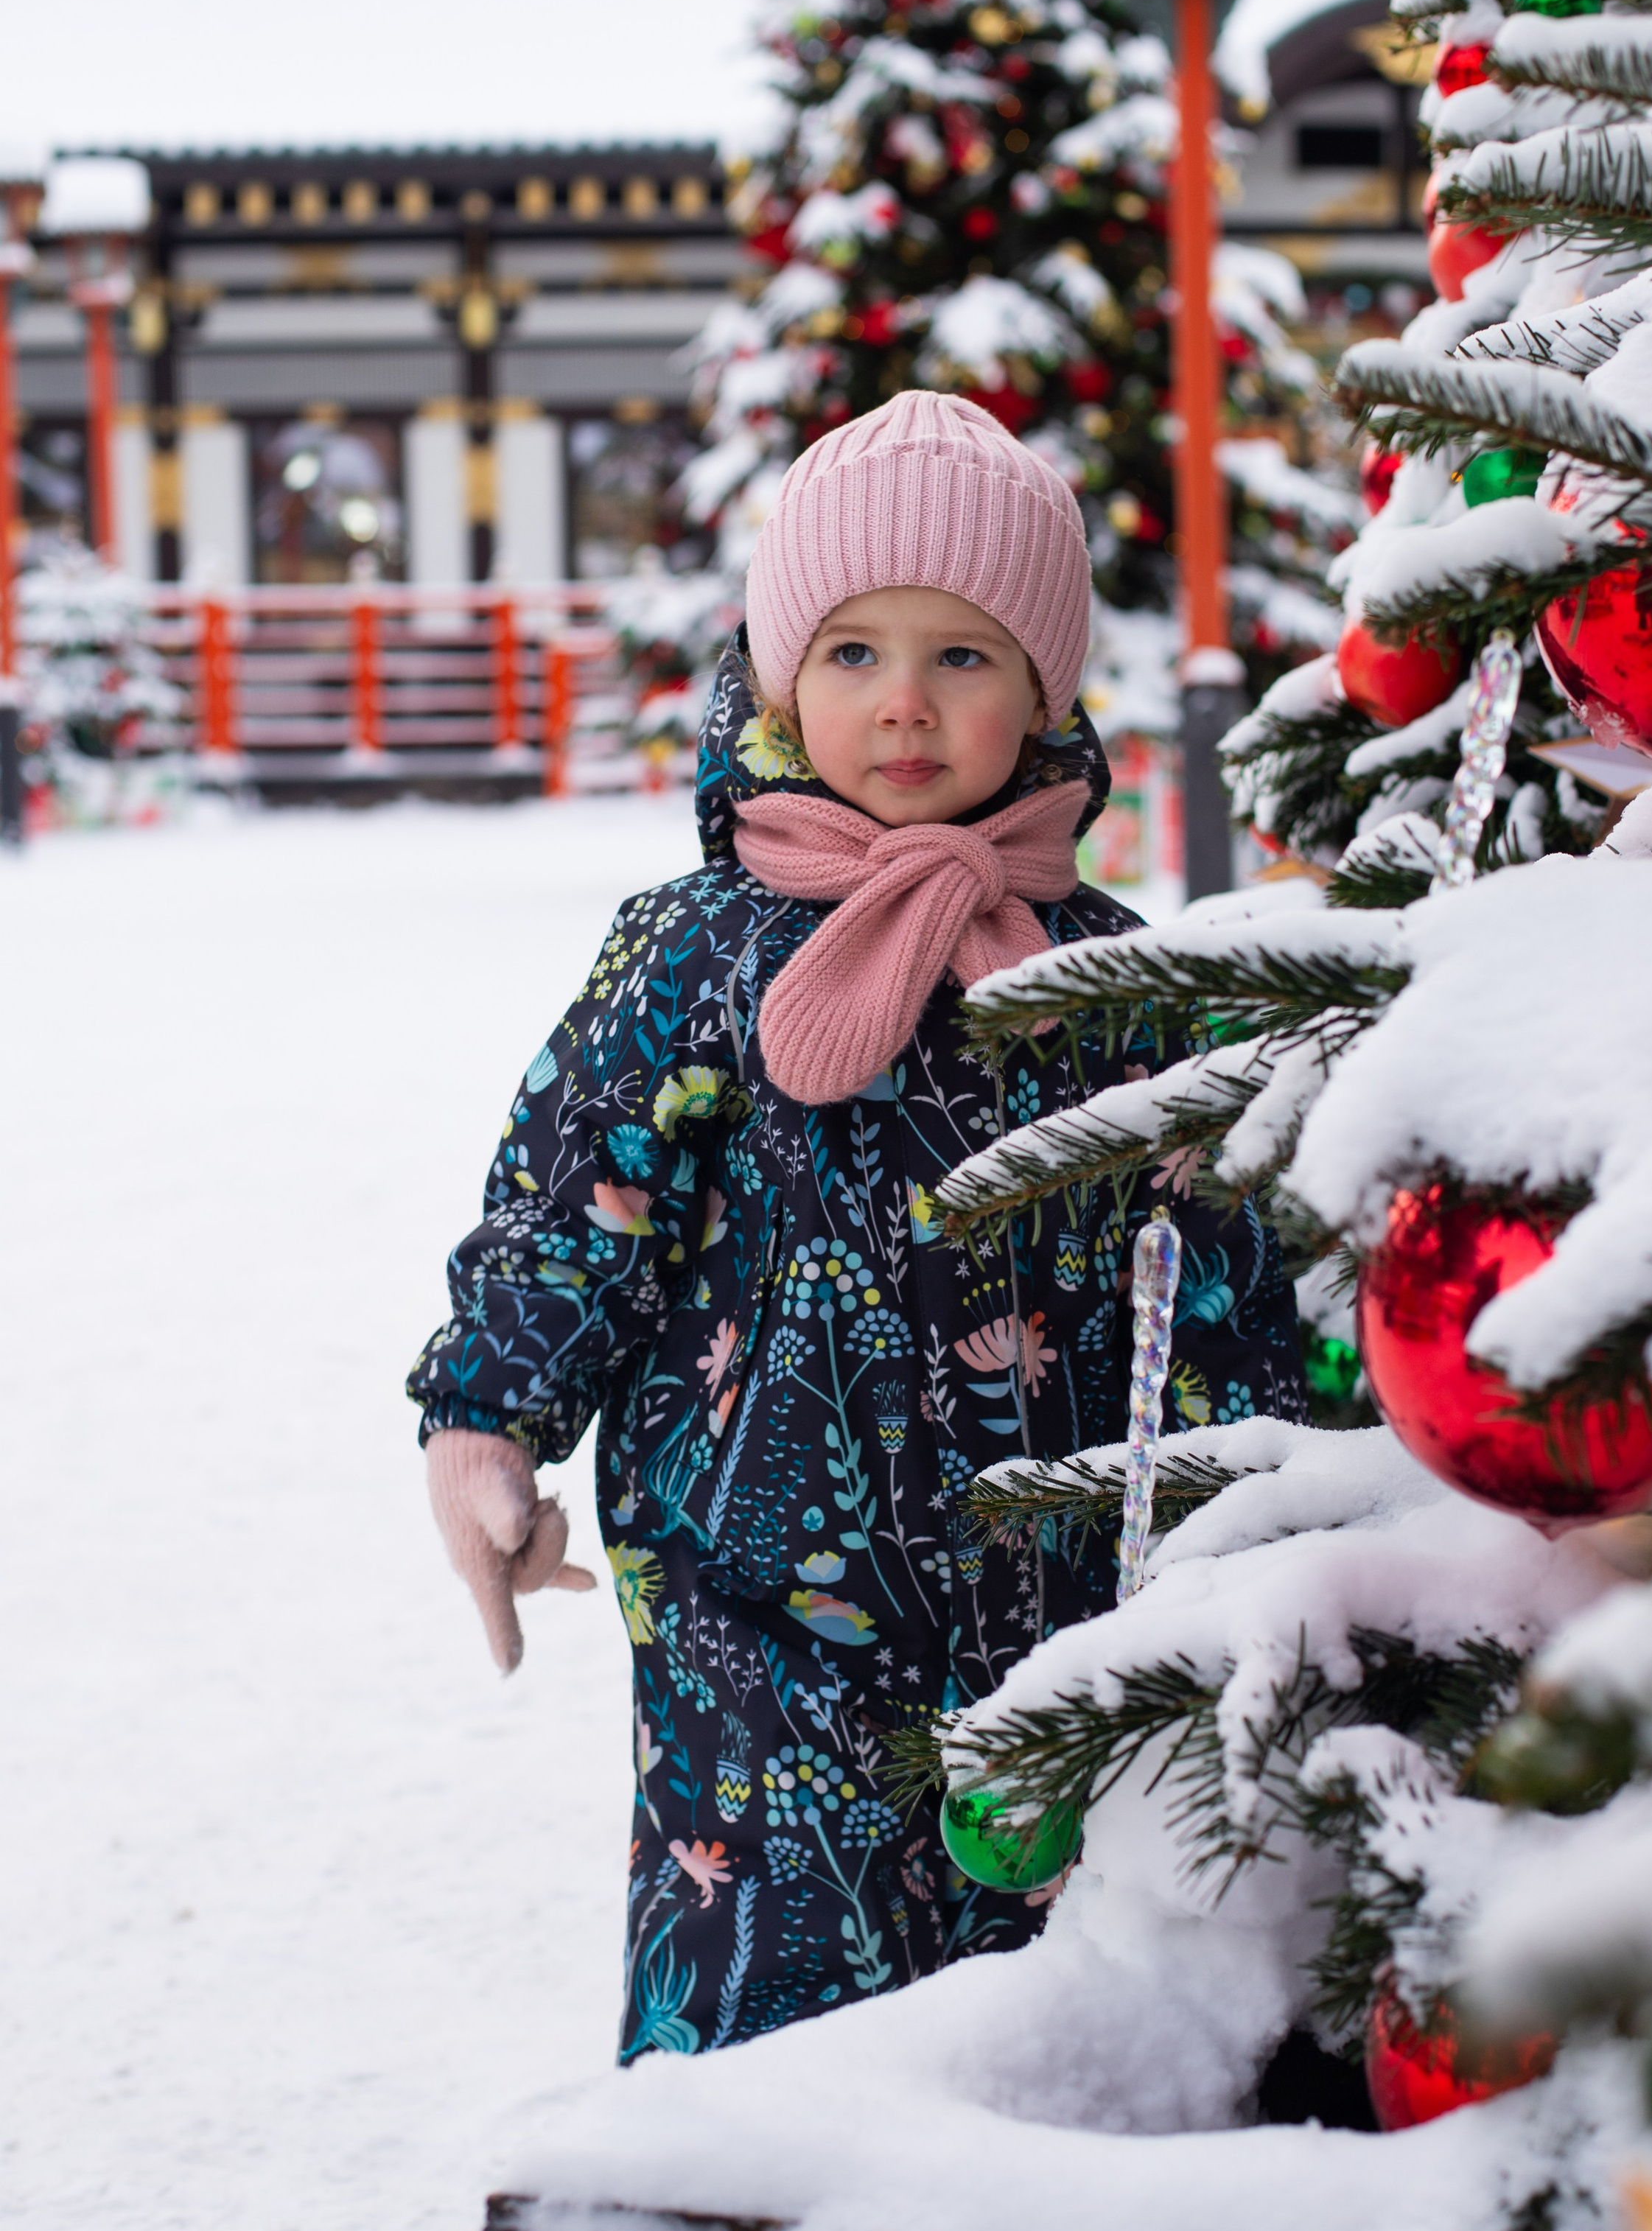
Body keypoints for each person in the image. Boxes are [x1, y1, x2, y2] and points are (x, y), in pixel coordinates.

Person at [408, 390, 1307, 2059]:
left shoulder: (1111, 980)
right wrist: (486, 1422)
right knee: (767, 1998)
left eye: (962, 658)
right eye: (851, 655)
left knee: (1045, 2023)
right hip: (752, 1615)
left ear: (1043, 688)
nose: (903, 704)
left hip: (1060, 1609)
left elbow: (1227, 1259)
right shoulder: (692, 955)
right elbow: (570, 1203)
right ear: (775, 681)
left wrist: (1299, 1473)